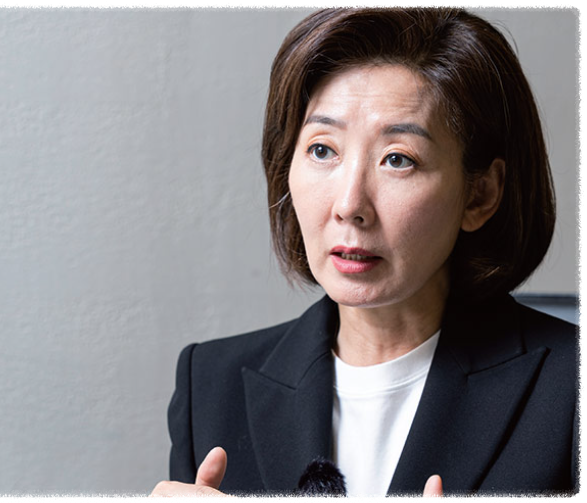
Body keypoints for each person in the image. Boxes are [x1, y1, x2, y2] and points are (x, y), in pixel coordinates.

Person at [151, 7, 577, 497]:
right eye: (322, 150)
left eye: (398, 159)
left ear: (480, 194)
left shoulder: (572, 387)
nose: (350, 205)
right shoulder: (211, 384)